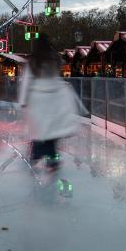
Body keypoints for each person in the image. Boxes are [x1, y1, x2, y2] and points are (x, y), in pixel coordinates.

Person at [18, 34, 81, 170]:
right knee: (51, 130)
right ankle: (51, 158)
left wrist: (23, 101)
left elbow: (27, 81)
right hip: (53, 98)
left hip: (38, 99)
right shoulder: (54, 59)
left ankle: (36, 154)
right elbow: (57, 77)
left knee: (39, 129)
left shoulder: (33, 61)